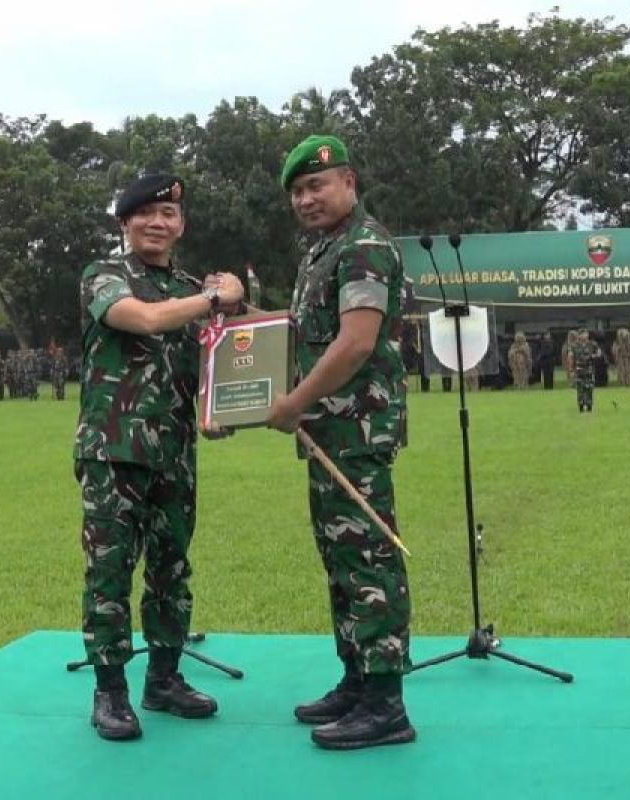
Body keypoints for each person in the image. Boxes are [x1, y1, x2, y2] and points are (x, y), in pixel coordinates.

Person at [74, 173, 245, 741]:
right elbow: (144, 320)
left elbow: (209, 368)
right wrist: (217, 297)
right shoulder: (104, 276)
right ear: (125, 222)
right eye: (145, 212)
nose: (157, 222)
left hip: (174, 454)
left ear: (181, 224)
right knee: (110, 572)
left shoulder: (193, 288)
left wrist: (216, 410)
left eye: (168, 213)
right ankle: (111, 692)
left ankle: (164, 679)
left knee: (172, 568)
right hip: (114, 452)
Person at [266, 134, 414, 751]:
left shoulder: (364, 247)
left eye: (317, 186)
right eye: (297, 191)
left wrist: (293, 402)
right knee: (340, 558)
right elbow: (306, 337)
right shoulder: (322, 253)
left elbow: (355, 343)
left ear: (349, 183)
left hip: (356, 428)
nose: (306, 199)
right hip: (329, 431)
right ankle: (356, 679)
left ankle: (386, 703)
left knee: (369, 558)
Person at [568, 329, 602, 412]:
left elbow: (599, 354)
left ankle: (589, 406)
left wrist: (592, 356)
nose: (584, 336)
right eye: (582, 334)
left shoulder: (593, 344)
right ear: (579, 335)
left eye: (585, 334)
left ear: (587, 335)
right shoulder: (574, 346)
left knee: (589, 389)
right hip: (579, 370)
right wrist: (571, 370)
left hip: (589, 370)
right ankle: (581, 407)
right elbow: (571, 358)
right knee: (580, 390)